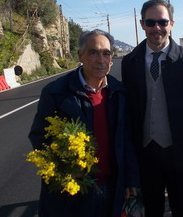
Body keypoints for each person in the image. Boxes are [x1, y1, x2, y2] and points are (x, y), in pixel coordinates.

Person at [29, 29, 139, 217]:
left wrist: (130, 179)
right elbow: (39, 137)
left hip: (111, 187)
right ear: (80, 55)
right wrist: (68, 166)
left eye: (106, 53)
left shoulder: (119, 92)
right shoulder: (56, 92)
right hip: (71, 192)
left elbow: (127, 139)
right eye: (93, 52)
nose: (100, 59)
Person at [121, 0, 183, 217]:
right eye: (151, 22)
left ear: (172, 24)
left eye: (163, 22)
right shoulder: (130, 62)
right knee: (151, 211)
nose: (157, 27)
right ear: (142, 24)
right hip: (146, 155)